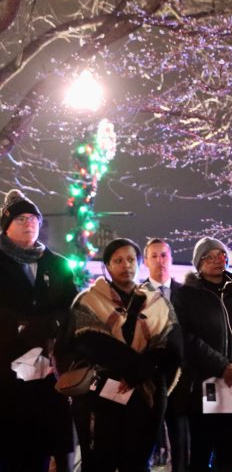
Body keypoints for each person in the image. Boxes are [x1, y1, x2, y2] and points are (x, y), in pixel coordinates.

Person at [61, 238, 182, 472]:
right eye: (118, 261)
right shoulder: (89, 300)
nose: (125, 265)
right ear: (107, 266)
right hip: (101, 396)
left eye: (130, 260)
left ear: (139, 264)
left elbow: (172, 346)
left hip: (145, 394)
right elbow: (89, 342)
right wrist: (132, 368)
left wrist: (141, 372)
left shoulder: (157, 302)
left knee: (137, 462)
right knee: (100, 461)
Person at [171, 237, 232, 472]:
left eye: (221, 255)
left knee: (228, 450)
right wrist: (221, 366)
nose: (217, 260)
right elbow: (186, 337)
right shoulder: (186, 295)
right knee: (201, 449)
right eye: (209, 256)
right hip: (202, 382)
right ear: (198, 263)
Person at [0, 189, 78, 472]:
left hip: (47, 373)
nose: (29, 223)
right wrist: (20, 326)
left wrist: (50, 326)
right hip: (6, 374)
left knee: (41, 452)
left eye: (34, 218)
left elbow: (72, 307)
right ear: (6, 226)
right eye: (20, 218)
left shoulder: (57, 264)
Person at [141, 238, 188, 471]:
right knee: (144, 442)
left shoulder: (186, 295)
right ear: (145, 261)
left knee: (181, 443)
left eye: (164, 255)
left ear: (171, 258)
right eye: (154, 256)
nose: (160, 261)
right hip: (148, 379)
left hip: (181, 379)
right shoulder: (137, 295)